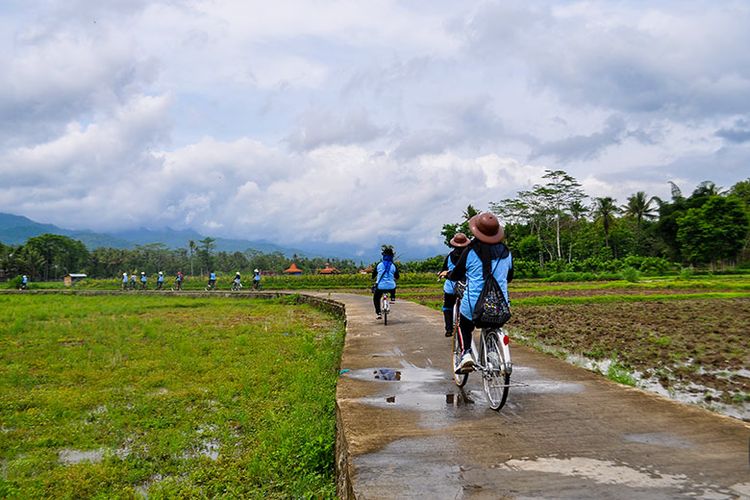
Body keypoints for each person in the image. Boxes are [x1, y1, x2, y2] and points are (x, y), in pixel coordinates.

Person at [442, 213, 513, 373]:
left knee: (463, 325)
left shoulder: (470, 252)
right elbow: (509, 277)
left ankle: (466, 354)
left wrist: (449, 274)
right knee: (491, 324)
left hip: (474, 305)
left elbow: (458, 273)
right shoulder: (506, 253)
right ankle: (493, 352)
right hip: (500, 305)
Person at [440, 233, 471, 337]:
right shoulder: (469, 256)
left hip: (451, 287)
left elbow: (443, 270)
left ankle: (449, 329)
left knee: (447, 306)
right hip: (465, 287)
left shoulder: (449, 256)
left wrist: (443, 274)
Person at [371, 245, 400, 320]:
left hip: (380, 286)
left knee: (376, 298)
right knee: (393, 285)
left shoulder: (379, 265)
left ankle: (378, 313)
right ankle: (393, 297)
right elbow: (397, 277)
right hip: (391, 287)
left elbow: (373, 275)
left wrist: (373, 278)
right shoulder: (393, 266)